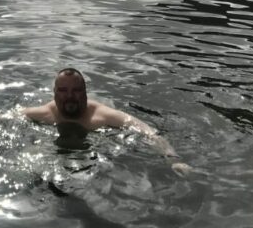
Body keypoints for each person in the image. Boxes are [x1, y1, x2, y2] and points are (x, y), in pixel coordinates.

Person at [24, 67, 191, 175]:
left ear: (85, 92)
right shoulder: (44, 113)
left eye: (76, 90)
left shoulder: (102, 115)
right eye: (63, 90)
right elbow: (4, 117)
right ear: (54, 92)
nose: (69, 96)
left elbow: (146, 131)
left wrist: (174, 160)